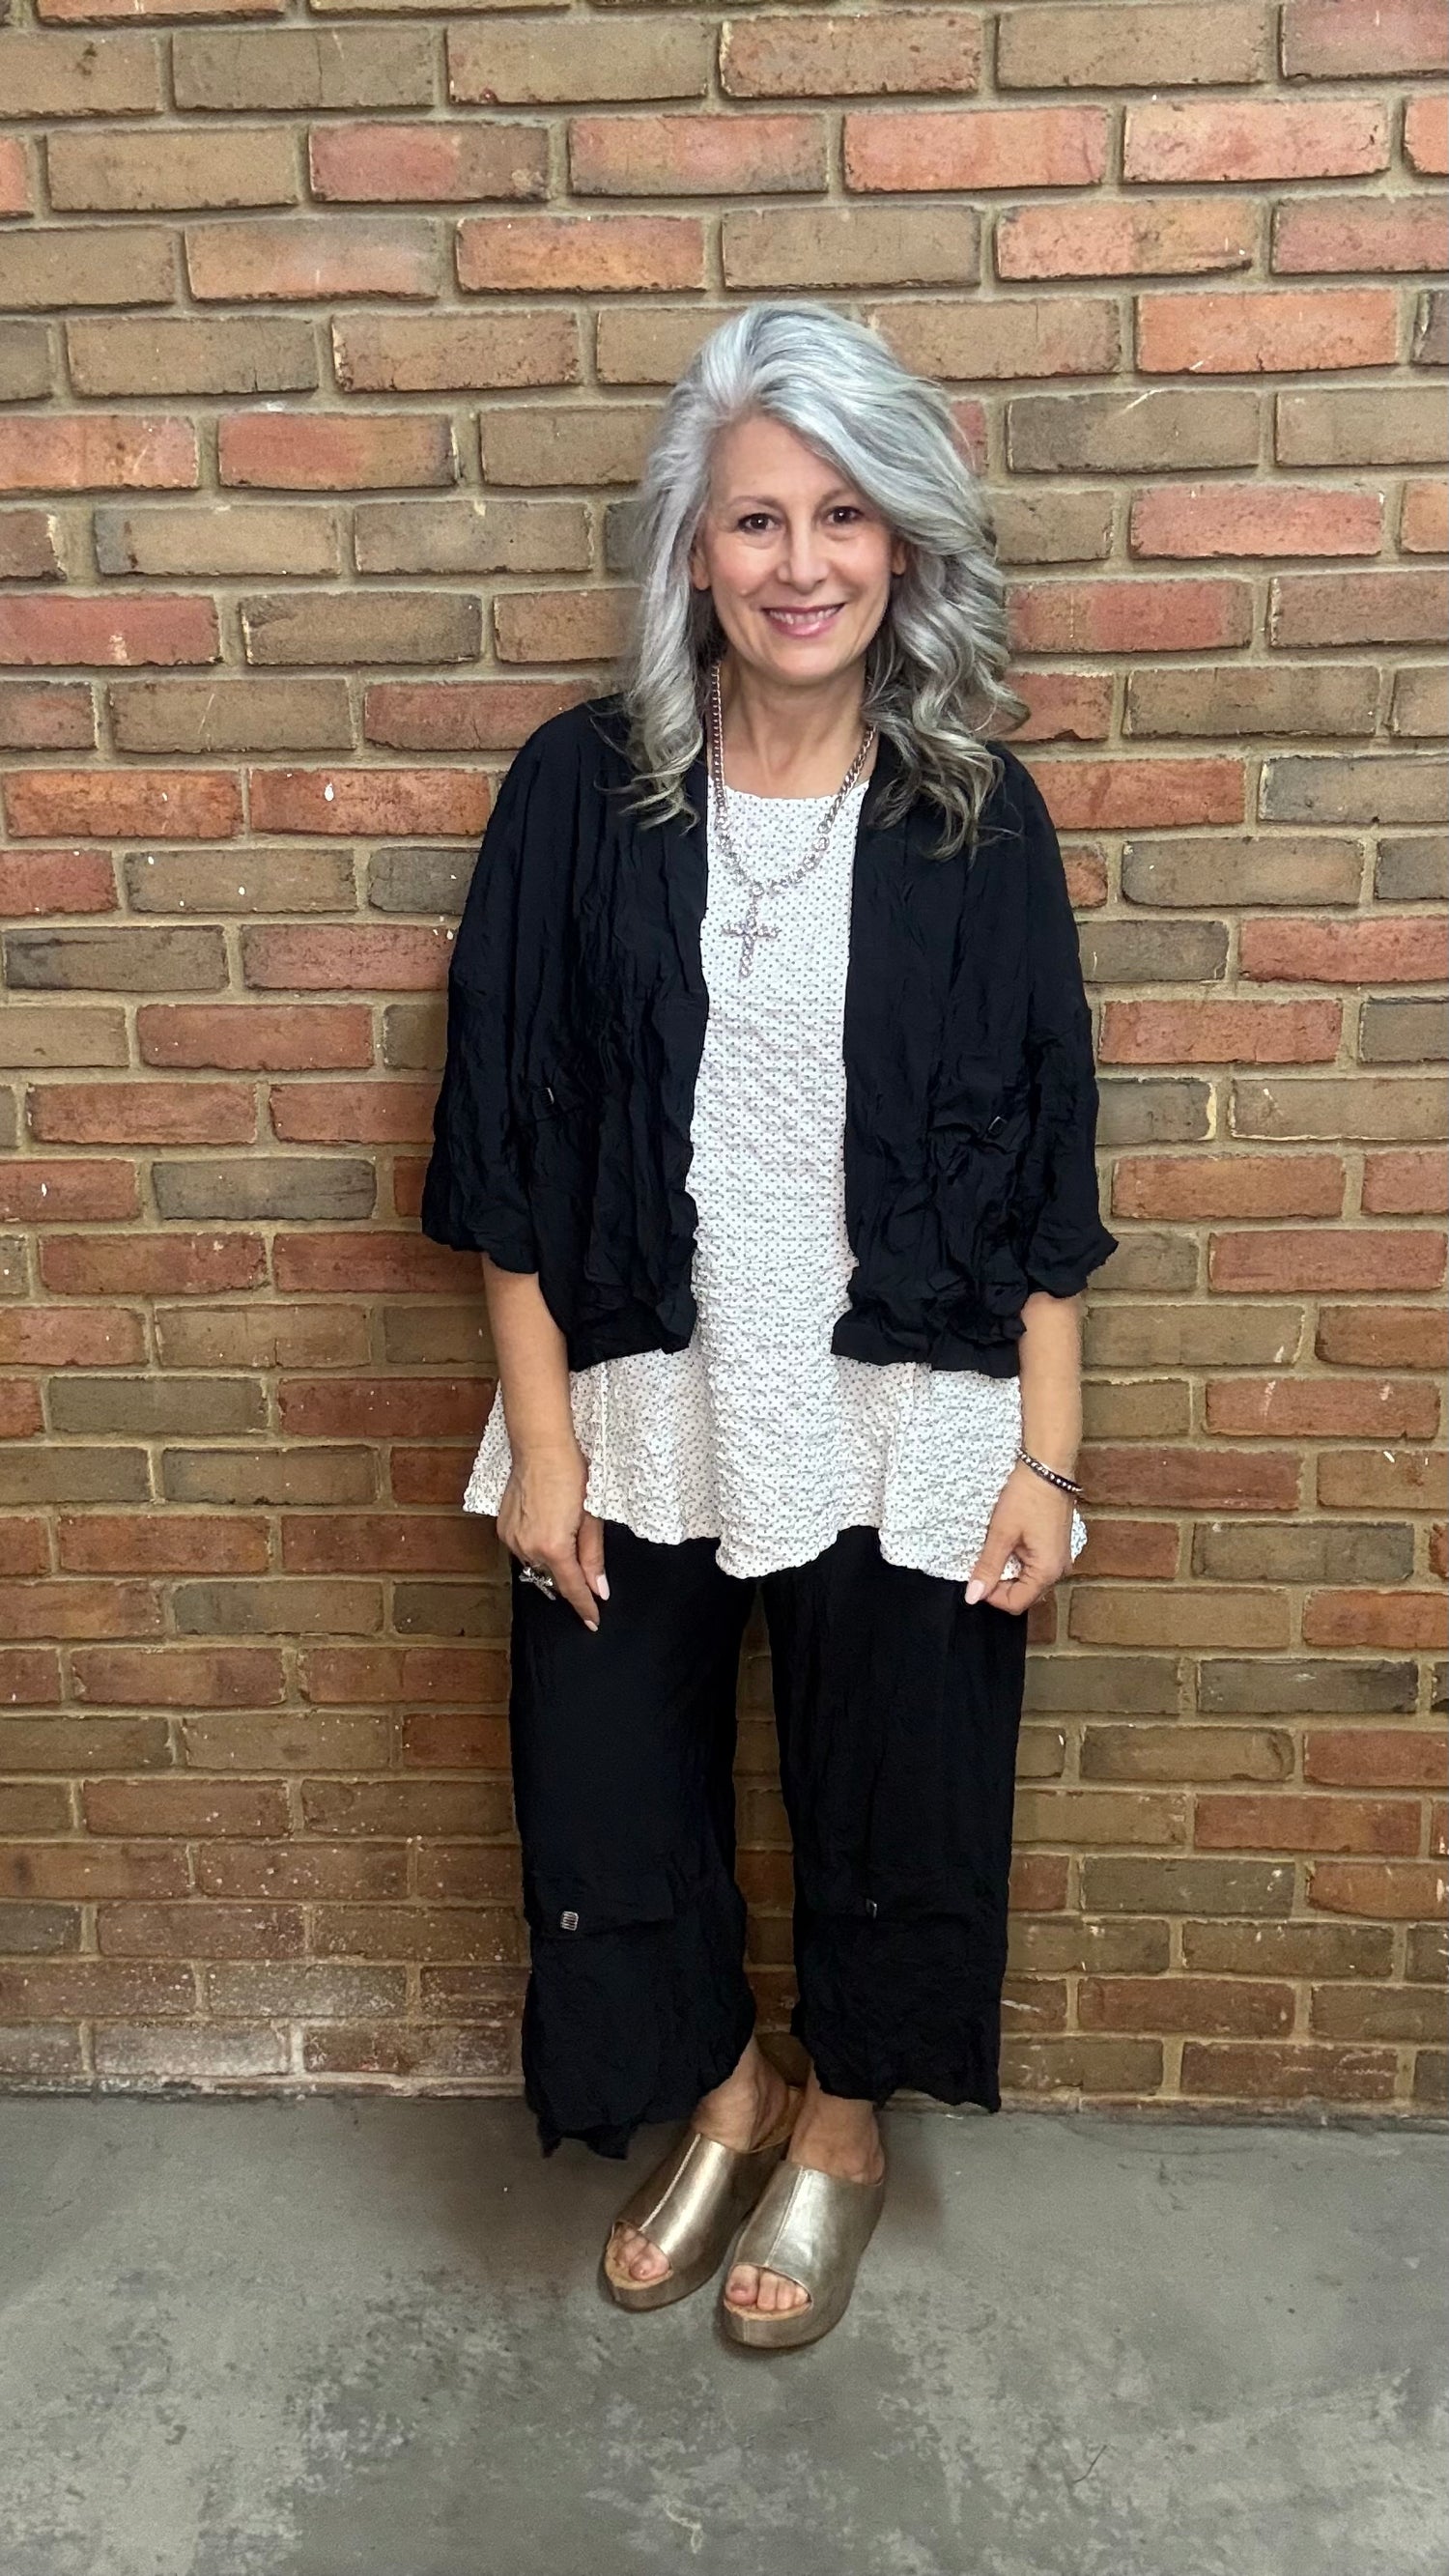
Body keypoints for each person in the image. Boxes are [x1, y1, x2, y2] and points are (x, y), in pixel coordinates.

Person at [420, 299, 1117, 2351]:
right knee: (607, 1779)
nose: (802, 563)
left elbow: (1043, 1163)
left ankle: (843, 2120)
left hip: (905, 1402)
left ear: (903, 542)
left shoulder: (975, 815)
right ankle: (722, 2086)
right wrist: (543, 1441)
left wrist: (1046, 1456)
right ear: (691, 550)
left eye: (844, 513)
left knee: (898, 1785)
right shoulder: (579, 793)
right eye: (755, 518)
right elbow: (505, 1135)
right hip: (642, 1390)